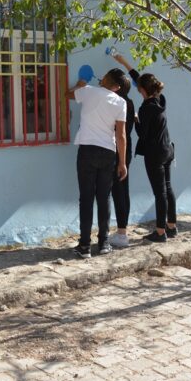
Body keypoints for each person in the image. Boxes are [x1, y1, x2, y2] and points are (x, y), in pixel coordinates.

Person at [113, 54, 177, 242]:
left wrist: (135, 120)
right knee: (168, 188)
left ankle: (160, 232)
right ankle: (171, 226)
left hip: (155, 154)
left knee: (160, 193)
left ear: (142, 90)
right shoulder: (160, 99)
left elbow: (143, 133)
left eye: (138, 87)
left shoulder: (145, 109)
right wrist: (125, 63)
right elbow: (140, 80)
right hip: (168, 149)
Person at [68, 69, 128, 259]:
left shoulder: (88, 90)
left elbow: (67, 95)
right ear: (117, 87)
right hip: (108, 153)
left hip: (87, 149)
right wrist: (122, 162)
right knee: (104, 198)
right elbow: (121, 135)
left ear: (106, 80)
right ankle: (103, 243)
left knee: (86, 198)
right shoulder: (121, 102)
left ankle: (84, 246)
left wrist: (79, 85)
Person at [108, 74, 136, 248]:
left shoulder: (119, 104)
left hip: (119, 149)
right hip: (125, 149)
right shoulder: (129, 103)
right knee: (123, 190)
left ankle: (121, 233)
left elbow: (119, 132)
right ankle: (122, 230)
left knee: (118, 191)